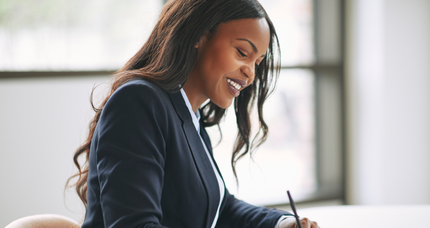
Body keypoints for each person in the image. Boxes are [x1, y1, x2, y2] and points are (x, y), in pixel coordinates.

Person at [67, 0, 319, 227]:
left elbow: (220, 207)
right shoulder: (139, 103)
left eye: (257, 62)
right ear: (199, 35)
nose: (251, 74)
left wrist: (281, 224)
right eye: (242, 53)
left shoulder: (191, 118)